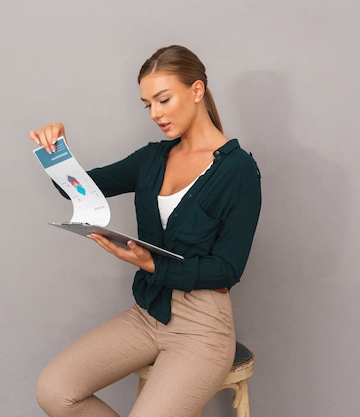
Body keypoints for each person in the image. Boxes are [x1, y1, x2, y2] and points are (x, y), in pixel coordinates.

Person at [30, 45, 261, 417]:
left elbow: (228, 269)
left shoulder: (238, 171)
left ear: (197, 91)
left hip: (202, 327)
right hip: (148, 313)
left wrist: (153, 264)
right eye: (147, 104)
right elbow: (77, 188)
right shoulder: (151, 158)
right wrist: (57, 154)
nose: (155, 114)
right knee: (55, 390)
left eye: (163, 99)